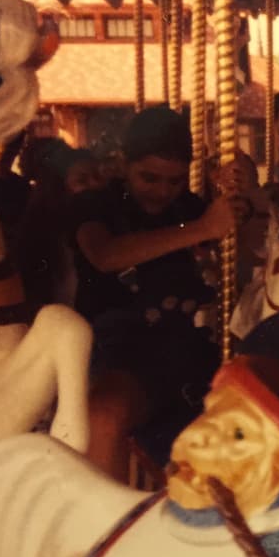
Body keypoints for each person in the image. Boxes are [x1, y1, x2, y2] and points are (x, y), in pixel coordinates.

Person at [71, 105, 241, 481]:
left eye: (174, 181)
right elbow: (105, 254)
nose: (162, 192)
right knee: (104, 413)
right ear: (123, 165)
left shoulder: (189, 208)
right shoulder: (98, 204)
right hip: (120, 347)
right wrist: (200, 230)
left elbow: (244, 248)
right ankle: (105, 527)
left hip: (189, 346)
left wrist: (243, 196)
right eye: (149, 178)